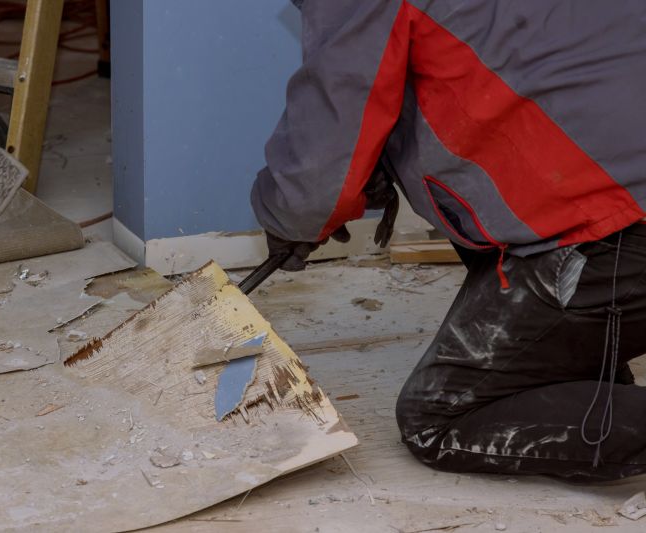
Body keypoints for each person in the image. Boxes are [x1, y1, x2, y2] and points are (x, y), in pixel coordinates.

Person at [252, 0, 646, 481]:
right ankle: (569, 359)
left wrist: (288, 218)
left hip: (618, 232)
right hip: (626, 210)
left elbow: (321, 159)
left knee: (439, 418)